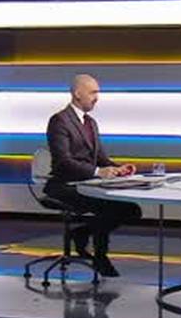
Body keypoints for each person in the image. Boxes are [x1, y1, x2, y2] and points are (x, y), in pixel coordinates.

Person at [44, 74, 142, 278]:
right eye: (93, 92)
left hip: (88, 183)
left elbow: (100, 158)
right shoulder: (59, 121)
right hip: (64, 185)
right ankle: (100, 256)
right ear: (77, 93)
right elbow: (63, 161)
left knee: (132, 209)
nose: (97, 98)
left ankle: (81, 232)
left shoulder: (91, 122)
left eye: (98, 93)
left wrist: (119, 169)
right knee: (109, 208)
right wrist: (97, 172)